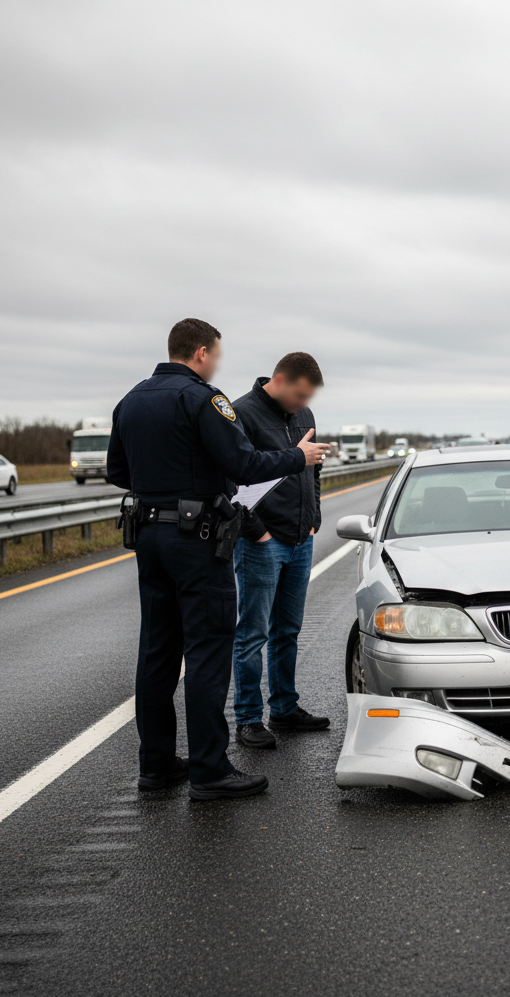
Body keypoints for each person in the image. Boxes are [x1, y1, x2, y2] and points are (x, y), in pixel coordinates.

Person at [107, 319, 331, 800]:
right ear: (202, 353)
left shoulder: (131, 400)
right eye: (217, 356)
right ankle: (210, 769)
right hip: (197, 539)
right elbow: (244, 465)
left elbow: (116, 470)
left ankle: (157, 764)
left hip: (148, 535)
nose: (217, 365)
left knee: (157, 654)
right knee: (207, 652)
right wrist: (298, 458)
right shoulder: (206, 400)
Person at [230, 353, 330, 748]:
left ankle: (285, 709)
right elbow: (233, 482)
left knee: (287, 630)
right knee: (252, 633)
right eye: (299, 395)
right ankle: (249, 719)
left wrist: (314, 517)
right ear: (281, 379)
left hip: (300, 538)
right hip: (261, 542)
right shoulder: (241, 414)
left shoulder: (304, 415)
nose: (304, 405)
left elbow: (313, 470)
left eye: (309, 398)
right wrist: (258, 533)